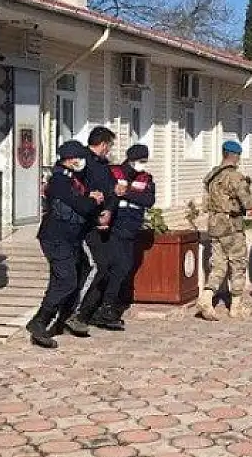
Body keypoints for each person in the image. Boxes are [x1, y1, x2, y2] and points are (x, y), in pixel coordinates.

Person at [26, 141, 105, 348]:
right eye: (78, 158)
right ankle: (39, 321)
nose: (82, 162)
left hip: (72, 237)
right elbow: (79, 205)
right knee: (67, 280)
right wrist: (93, 200)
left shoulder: (75, 179)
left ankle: (63, 318)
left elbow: (83, 205)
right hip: (56, 237)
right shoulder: (60, 180)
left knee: (79, 271)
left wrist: (93, 201)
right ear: (69, 159)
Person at [85, 144, 156, 329]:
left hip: (131, 229)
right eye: (140, 160)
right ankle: (104, 307)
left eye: (144, 161)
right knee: (119, 266)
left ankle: (109, 306)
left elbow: (149, 200)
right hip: (113, 228)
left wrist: (127, 193)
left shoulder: (145, 178)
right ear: (131, 159)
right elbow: (108, 193)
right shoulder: (114, 172)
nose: (142, 164)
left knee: (124, 268)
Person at [197, 140, 252, 320]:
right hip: (231, 225)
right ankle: (236, 306)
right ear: (236, 155)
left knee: (218, 264)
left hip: (214, 224)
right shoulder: (235, 177)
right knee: (238, 263)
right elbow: (248, 203)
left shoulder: (212, 175)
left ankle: (206, 297)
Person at [72, 126, 118, 333]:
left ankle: (90, 311)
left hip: (100, 222)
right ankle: (75, 313)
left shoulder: (103, 165)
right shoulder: (83, 162)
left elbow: (111, 191)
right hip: (84, 223)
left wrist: (108, 209)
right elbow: (75, 190)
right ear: (104, 144)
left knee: (105, 266)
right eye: (109, 145)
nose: (109, 150)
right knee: (95, 266)